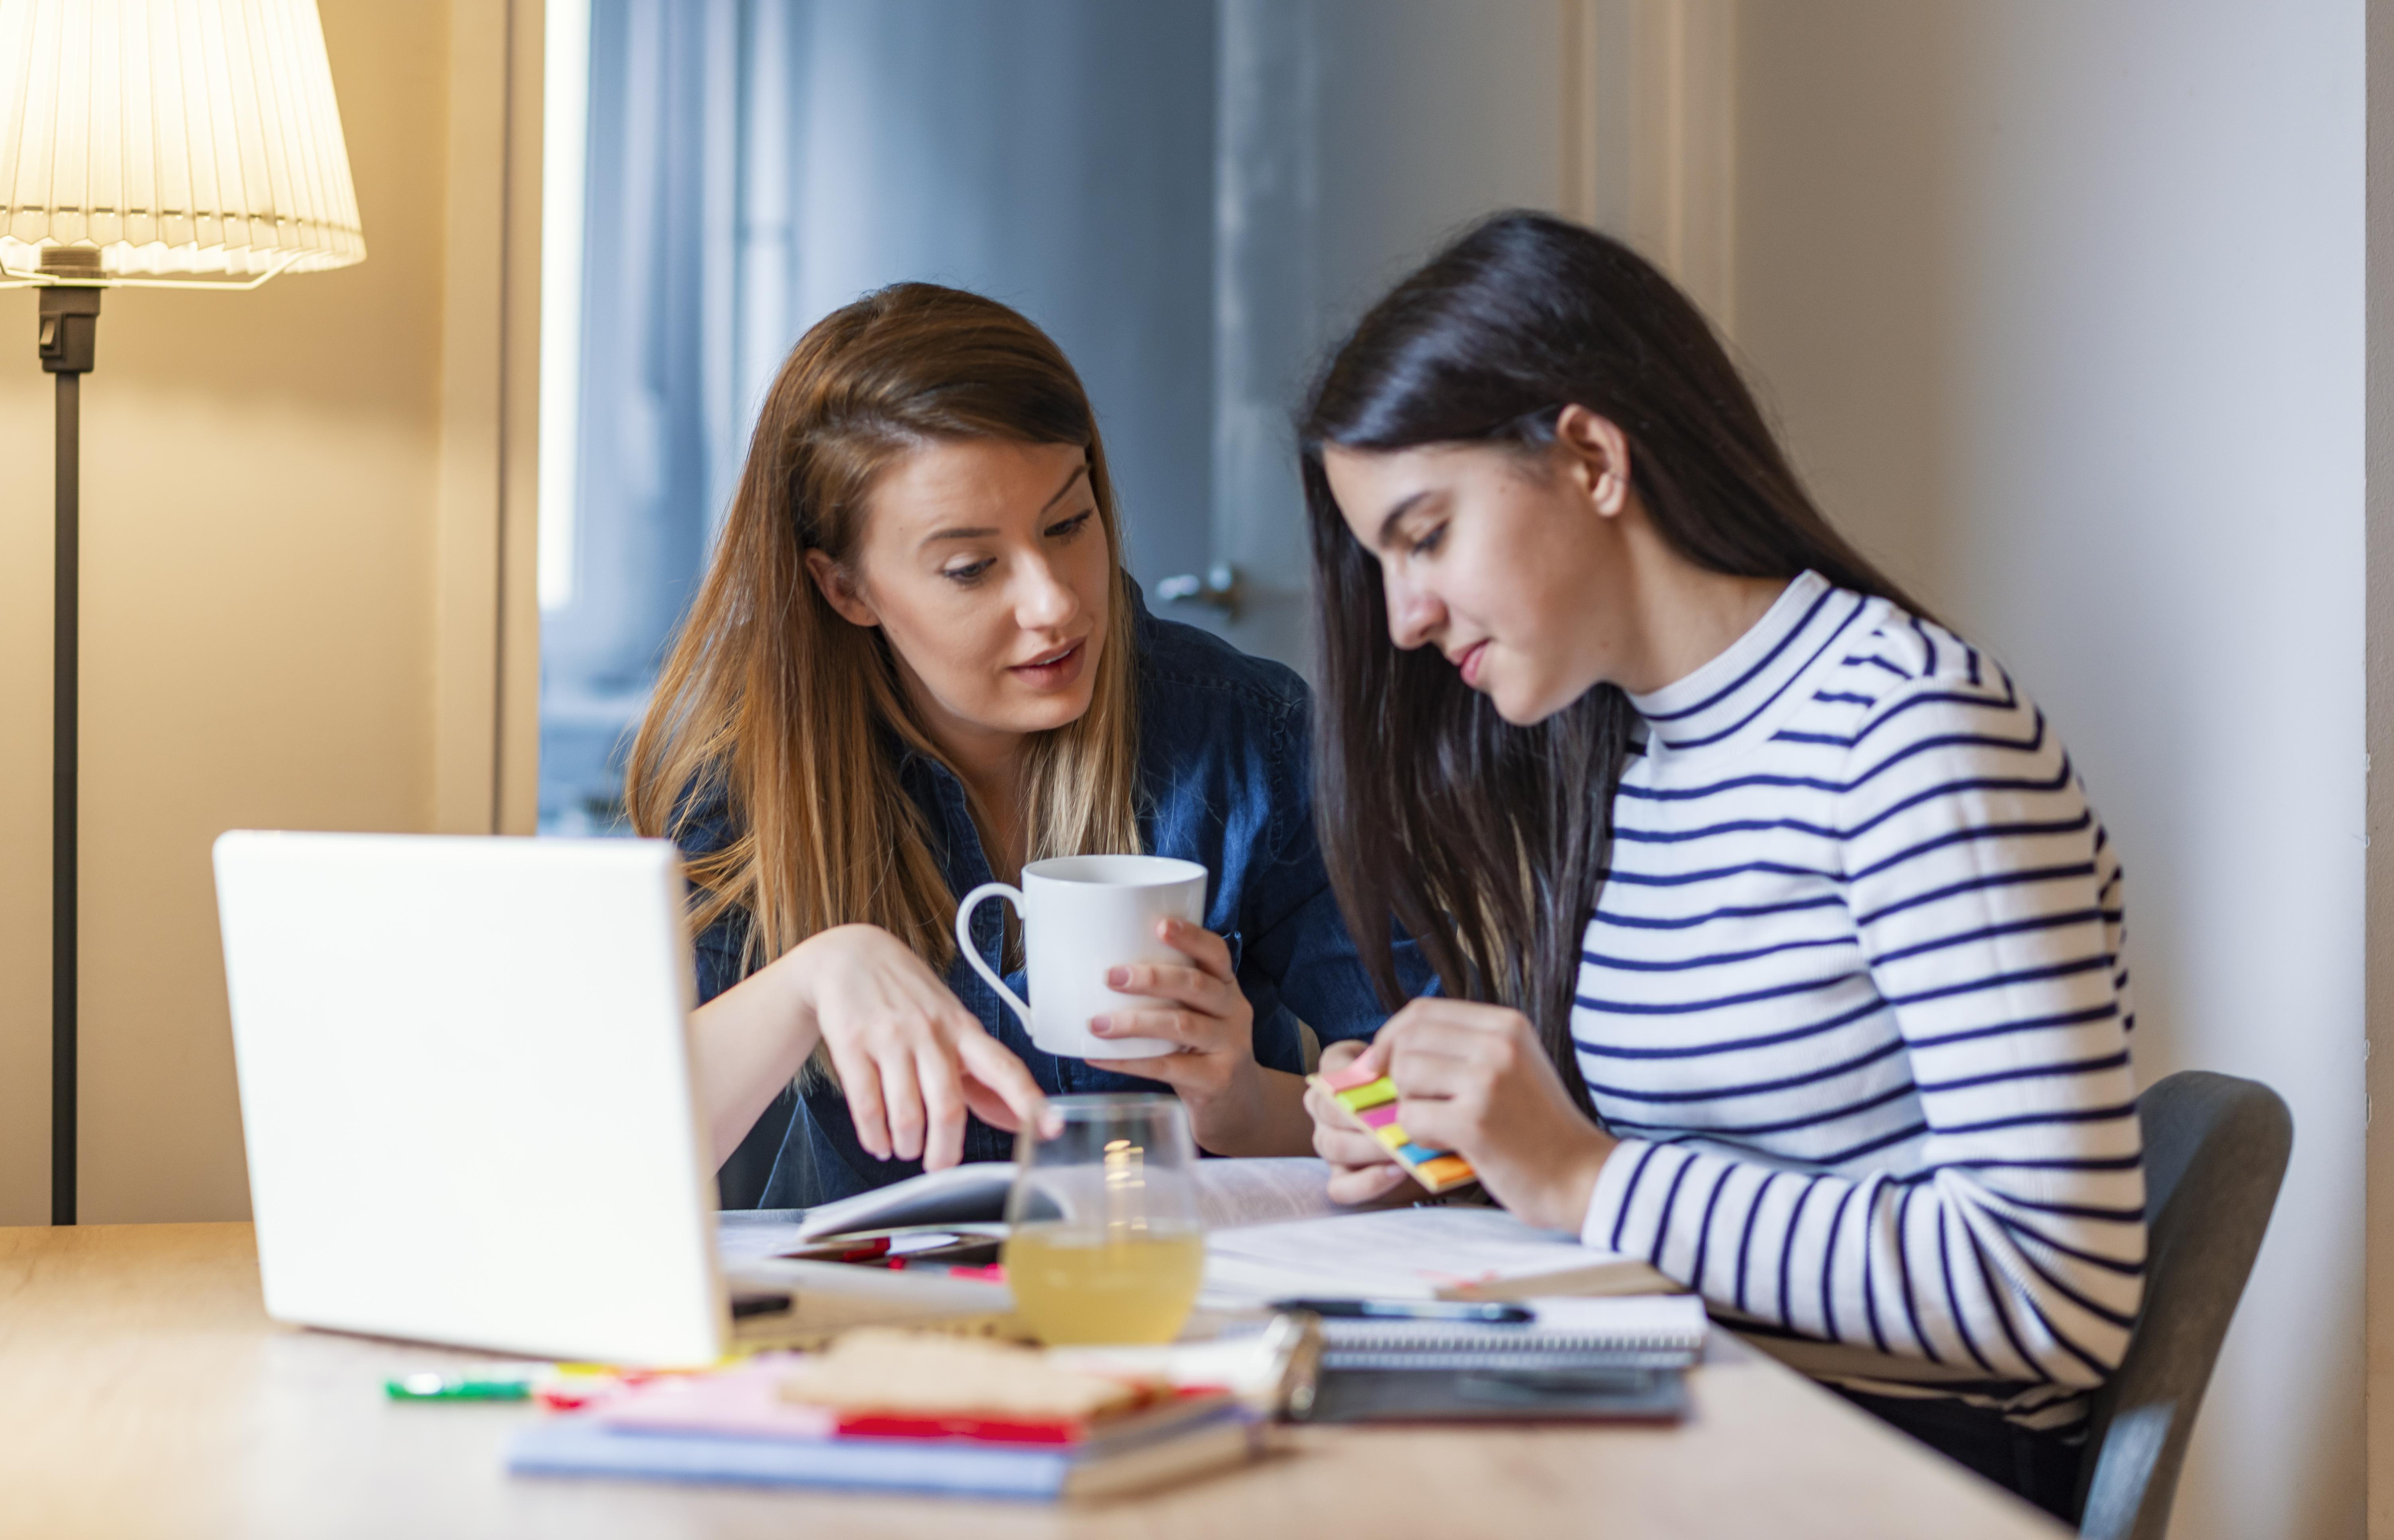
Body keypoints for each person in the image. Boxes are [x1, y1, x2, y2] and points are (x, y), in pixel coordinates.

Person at [1297, 211, 2140, 1520]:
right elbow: (1715, 1173)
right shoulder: (1633, 754)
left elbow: (2050, 1292)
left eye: (1423, 534)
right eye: (1381, 561)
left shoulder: (1905, 731)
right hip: (1692, 1411)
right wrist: (1453, 1147)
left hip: (1882, 1468)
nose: (1403, 617)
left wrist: (1579, 1175)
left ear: (1587, 456)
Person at [625, 282, 1416, 1211]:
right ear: (844, 589)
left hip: (1187, 1310)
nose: (1055, 603)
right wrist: (811, 979)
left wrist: (1240, 1102)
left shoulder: (1253, 738)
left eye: (1068, 524)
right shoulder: (750, 786)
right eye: (971, 567)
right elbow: (602, 1166)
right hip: (888, 1331)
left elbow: (1426, 1131)